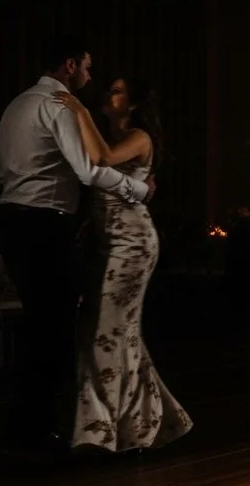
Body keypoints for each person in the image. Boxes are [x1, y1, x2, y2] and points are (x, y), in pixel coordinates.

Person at [0, 35, 153, 457]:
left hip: (11, 218)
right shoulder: (58, 104)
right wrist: (137, 189)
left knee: (39, 324)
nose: (90, 76)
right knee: (52, 330)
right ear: (69, 66)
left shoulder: (18, 103)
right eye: (86, 66)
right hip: (44, 224)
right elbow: (87, 169)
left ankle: (27, 425)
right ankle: (37, 430)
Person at [52, 77, 192, 452]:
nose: (106, 95)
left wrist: (78, 110)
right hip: (104, 243)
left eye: (116, 91)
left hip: (132, 244)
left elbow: (100, 161)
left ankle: (98, 432)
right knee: (115, 331)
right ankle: (145, 424)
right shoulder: (104, 134)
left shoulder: (139, 136)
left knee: (108, 332)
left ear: (131, 104)